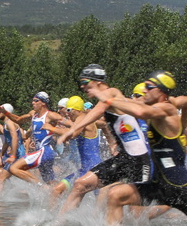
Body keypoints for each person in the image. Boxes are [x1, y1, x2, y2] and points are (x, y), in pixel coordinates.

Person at [85, 70, 187, 226]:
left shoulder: (165, 108)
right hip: (158, 186)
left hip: (178, 188)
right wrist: (182, 126)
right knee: (115, 195)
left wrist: (106, 98)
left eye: (149, 87)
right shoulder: (170, 103)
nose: (145, 90)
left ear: (161, 91)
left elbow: (141, 113)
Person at [56, 65, 151, 216]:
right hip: (124, 158)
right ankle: (58, 225)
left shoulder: (111, 92)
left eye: (86, 82)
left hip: (139, 160)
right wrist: (113, 142)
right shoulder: (113, 100)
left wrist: (73, 129)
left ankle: (173, 206)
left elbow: (98, 110)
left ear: (98, 82)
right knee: (80, 185)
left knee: (135, 212)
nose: (83, 86)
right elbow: (103, 119)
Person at [0, 92, 63, 185]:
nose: (33, 103)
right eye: (32, 100)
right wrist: (5, 112)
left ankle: (40, 186)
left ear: (43, 103)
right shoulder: (33, 114)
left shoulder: (50, 115)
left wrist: (54, 129)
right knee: (50, 182)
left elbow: (70, 125)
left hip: (45, 152)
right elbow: (18, 120)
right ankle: (61, 193)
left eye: (36, 101)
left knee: (13, 168)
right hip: (44, 154)